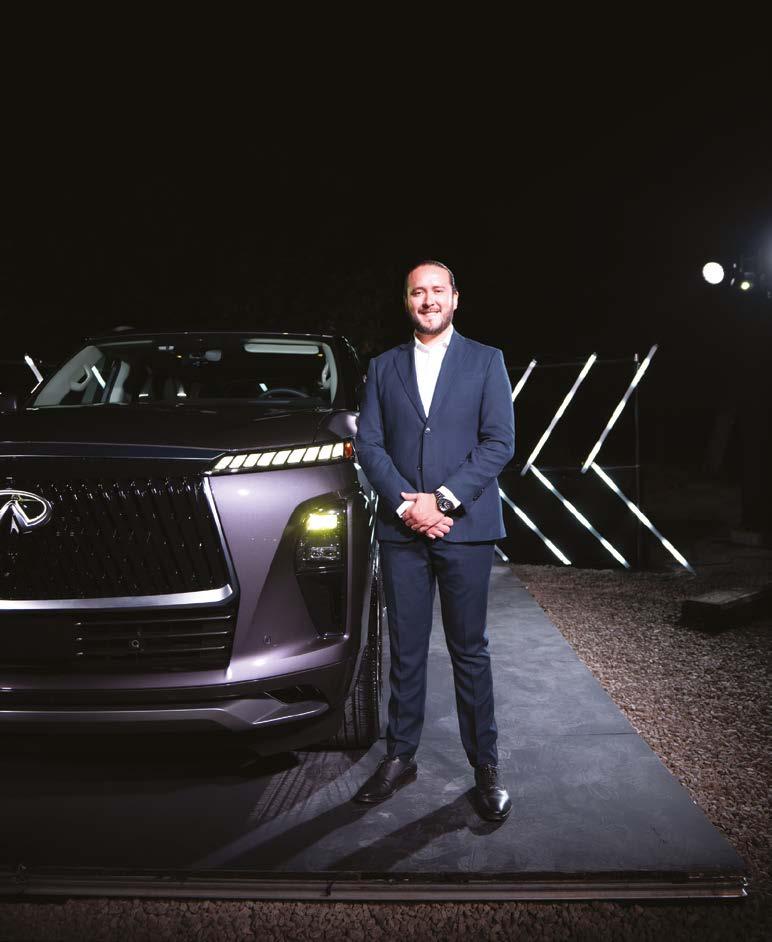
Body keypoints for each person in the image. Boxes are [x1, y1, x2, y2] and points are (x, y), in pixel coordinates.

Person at [353, 260, 515, 822]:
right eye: (418, 292)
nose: (428, 300)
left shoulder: (486, 360)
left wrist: (441, 501)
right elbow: (369, 445)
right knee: (406, 649)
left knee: (470, 650)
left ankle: (485, 766)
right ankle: (400, 756)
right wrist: (407, 505)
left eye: (437, 291)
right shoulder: (383, 367)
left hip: (466, 528)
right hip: (402, 530)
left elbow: (499, 443)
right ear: (407, 301)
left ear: (455, 298)